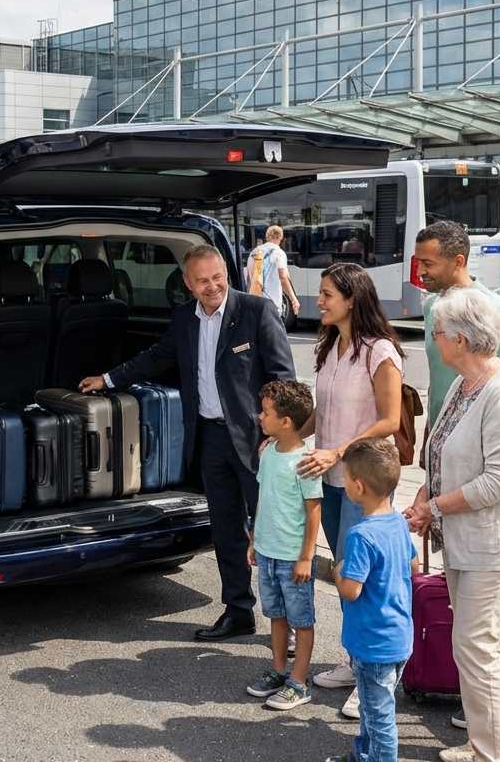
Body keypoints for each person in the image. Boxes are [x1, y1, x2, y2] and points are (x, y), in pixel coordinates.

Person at [79, 244, 295, 642]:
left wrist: (277, 438)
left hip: (257, 443)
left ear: (225, 274)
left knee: (272, 532)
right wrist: (108, 381)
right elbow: (155, 357)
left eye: (217, 277)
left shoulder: (256, 311)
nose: (212, 286)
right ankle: (238, 611)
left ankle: (289, 620)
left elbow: (285, 381)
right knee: (226, 530)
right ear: (187, 283)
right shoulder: (184, 318)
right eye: (202, 280)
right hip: (209, 437)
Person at [403, 285, 500, 762]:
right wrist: (425, 493)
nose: (432, 339)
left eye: (437, 332)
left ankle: (494, 754)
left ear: (460, 340)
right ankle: (485, 745)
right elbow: (440, 452)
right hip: (468, 541)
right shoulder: (465, 383)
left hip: (495, 545)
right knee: (476, 648)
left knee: (478, 649)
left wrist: (434, 507)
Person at [296, 262, 403, 719]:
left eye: (325, 295)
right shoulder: (332, 345)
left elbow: (389, 421)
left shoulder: (380, 351)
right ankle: (359, 661)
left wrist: (337, 451)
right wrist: (290, 436)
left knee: (362, 583)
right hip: (333, 479)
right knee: (344, 579)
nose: (317, 302)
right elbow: (324, 409)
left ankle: (376, 677)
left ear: (351, 299)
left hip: (364, 482)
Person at [327, 438, 417, 762]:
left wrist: (338, 570)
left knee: (379, 720)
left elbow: (351, 590)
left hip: (372, 642)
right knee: (372, 707)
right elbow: (413, 566)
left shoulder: (361, 534)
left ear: (358, 487)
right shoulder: (397, 523)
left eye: (347, 477)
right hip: (398, 636)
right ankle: (361, 756)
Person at [414, 220, 500, 430]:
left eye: (428, 264)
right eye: (418, 263)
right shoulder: (432, 307)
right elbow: (439, 378)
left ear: (458, 262)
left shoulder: (497, 312)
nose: (419, 272)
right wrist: (430, 433)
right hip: (440, 440)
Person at [246, 380, 321, 710]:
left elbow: (313, 511)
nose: (260, 417)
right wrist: (254, 539)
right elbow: (263, 497)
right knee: (276, 615)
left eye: (266, 412)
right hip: (267, 551)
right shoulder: (268, 453)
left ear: (286, 422)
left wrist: (306, 557)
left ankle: (299, 682)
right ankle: (278, 670)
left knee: (301, 621)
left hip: (293, 558)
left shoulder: (306, 461)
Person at [246, 225, 300, 317]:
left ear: (267, 237)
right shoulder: (279, 253)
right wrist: (293, 299)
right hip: (271, 304)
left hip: (254, 302)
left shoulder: (254, 252)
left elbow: (248, 277)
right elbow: (283, 277)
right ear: (281, 237)